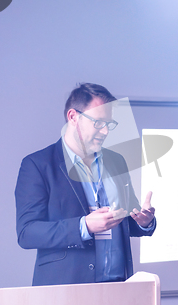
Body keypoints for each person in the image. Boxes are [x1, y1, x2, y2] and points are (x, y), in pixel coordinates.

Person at [15, 83, 156, 286]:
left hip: (118, 286)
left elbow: (125, 222)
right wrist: (84, 226)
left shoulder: (117, 161)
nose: (106, 131)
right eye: (98, 122)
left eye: (109, 123)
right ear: (73, 117)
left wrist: (143, 222)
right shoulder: (38, 165)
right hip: (66, 287)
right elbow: (27, 233)